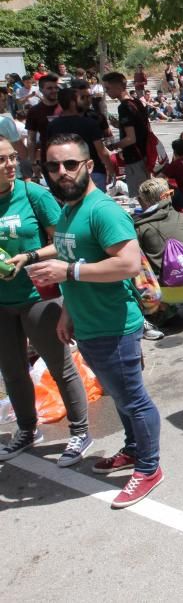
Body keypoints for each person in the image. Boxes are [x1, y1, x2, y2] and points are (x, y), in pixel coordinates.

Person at [27, 133, 163, 508]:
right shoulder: (69, 209)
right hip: (87, 322)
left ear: (88, 166)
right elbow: (78, 255)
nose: (62, 172)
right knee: (119, 396)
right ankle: (134, 449)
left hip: (114, 324)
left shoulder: (102, 210)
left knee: (133, 399)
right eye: (53, 166)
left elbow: (127, 263)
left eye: (70, 164)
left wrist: (66, 272)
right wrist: (68, 311)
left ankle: (149, 468)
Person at [0, 136, 92, 466]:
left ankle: (80, 431)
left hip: (37, 296)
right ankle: (27, 430)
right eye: (2, 160)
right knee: (12, 371)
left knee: (59, 366)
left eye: (12, 158)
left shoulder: (32, 195)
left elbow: (64, 241)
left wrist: (30, 255)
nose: (10, 164)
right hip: (2, 302)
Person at [101, 72, 151, 198]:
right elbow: (139, 127)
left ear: (118, 87)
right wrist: (119, 125)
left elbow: (130, 138)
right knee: (147, 193)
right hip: (145, 153)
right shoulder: (137, 102)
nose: (106, 92)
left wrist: (113, 146)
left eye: (108, 88)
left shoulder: (124, 107)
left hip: (135, 156)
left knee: (141, 196)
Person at [24, 73, 61, 179]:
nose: (54, 90)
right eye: (50, 88)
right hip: (48, 159)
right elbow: (31, 138)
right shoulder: (34, 111)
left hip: (70, 156)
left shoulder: (67, 107)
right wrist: (33, 162)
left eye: (56, 87)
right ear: (41, 90)